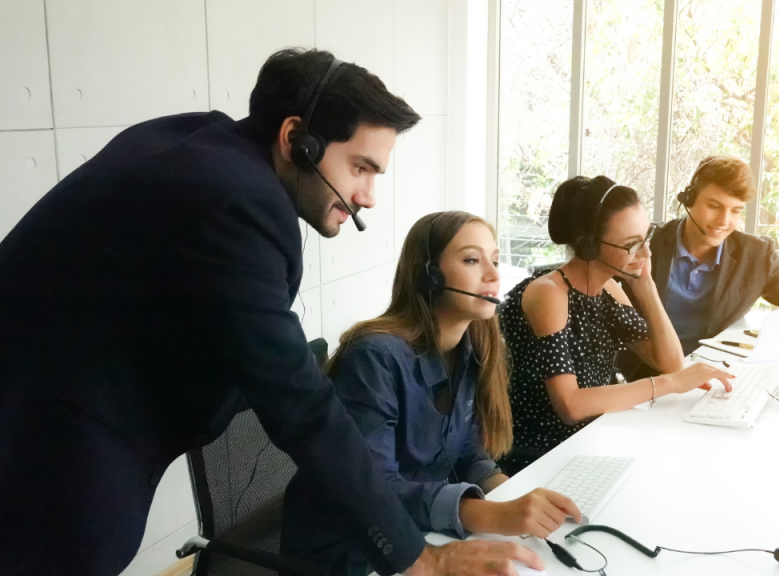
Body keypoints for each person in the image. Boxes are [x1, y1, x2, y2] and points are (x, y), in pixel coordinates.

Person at [0, 49, 540, 576]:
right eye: (360, 167)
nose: (368, 195)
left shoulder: (200, 146)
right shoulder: (235, 203)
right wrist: (420, 559)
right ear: (295, 141)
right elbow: (299, 406)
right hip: (54, 447)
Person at [282, 211, 582, 575]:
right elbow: (371, 488)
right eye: (472, 260)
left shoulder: (472, 350)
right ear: (429, 275)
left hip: (422, 536)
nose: (493, 274)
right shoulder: (374, 357)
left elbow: (468, 453)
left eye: (495, 260)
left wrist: (508, 494)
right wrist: (492, 513)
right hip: (353, 552)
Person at [497, 176, 735, 475]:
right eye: (631, 245)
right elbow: (570, 406)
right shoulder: (549, 293)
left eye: (645, 238)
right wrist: (668, 385)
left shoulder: (608, 288)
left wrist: (645, 285)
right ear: (588, 246)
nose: (646, 253)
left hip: (593, 441)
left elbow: (671, 362)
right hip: (544, 457)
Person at [633, 155, 779, 364]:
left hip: (715, 373)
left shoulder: (756, 255)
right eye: (714, 206)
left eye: (736, 211)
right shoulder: (646, 244)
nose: (724, 221)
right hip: (644, 370)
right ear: (689, 200)